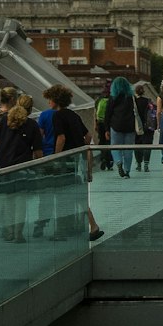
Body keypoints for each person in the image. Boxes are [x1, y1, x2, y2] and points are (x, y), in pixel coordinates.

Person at [44, 83, 103, 241]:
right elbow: (89, 136)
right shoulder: (73, 115)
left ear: (56, 100)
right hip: (77, 160)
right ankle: (91, 225)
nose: (48, 102)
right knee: (75, 195)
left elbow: (61, 138)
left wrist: (57, 157)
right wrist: (80, 148)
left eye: (50, 99)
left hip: (66, 162)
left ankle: (66, 230)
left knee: (63, 196)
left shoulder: (57, 116)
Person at [0, 103, 43, 240]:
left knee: (7, 201)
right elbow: (37, 150)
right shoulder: (31, 125)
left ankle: (9, 232)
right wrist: (41, 165)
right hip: (22, 168)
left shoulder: (3, 121)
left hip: (3, 167)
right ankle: (18, 233)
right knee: (20, 201)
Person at [103, 76, 137, 179]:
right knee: (128, 149)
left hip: (116, 125)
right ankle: (127, 171)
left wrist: (106, 129)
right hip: (130, 126)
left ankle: (118, 162)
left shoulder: (112, 98)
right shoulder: (131, 98)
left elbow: (107, 114)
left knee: (115, 146)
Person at [133, 82, 156, 171]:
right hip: (148, 126)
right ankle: (146, 164)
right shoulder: (148, 101)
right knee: (147, 145)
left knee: (137, 145)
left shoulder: (134, 103)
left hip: (137, 126)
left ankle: (138, 164)